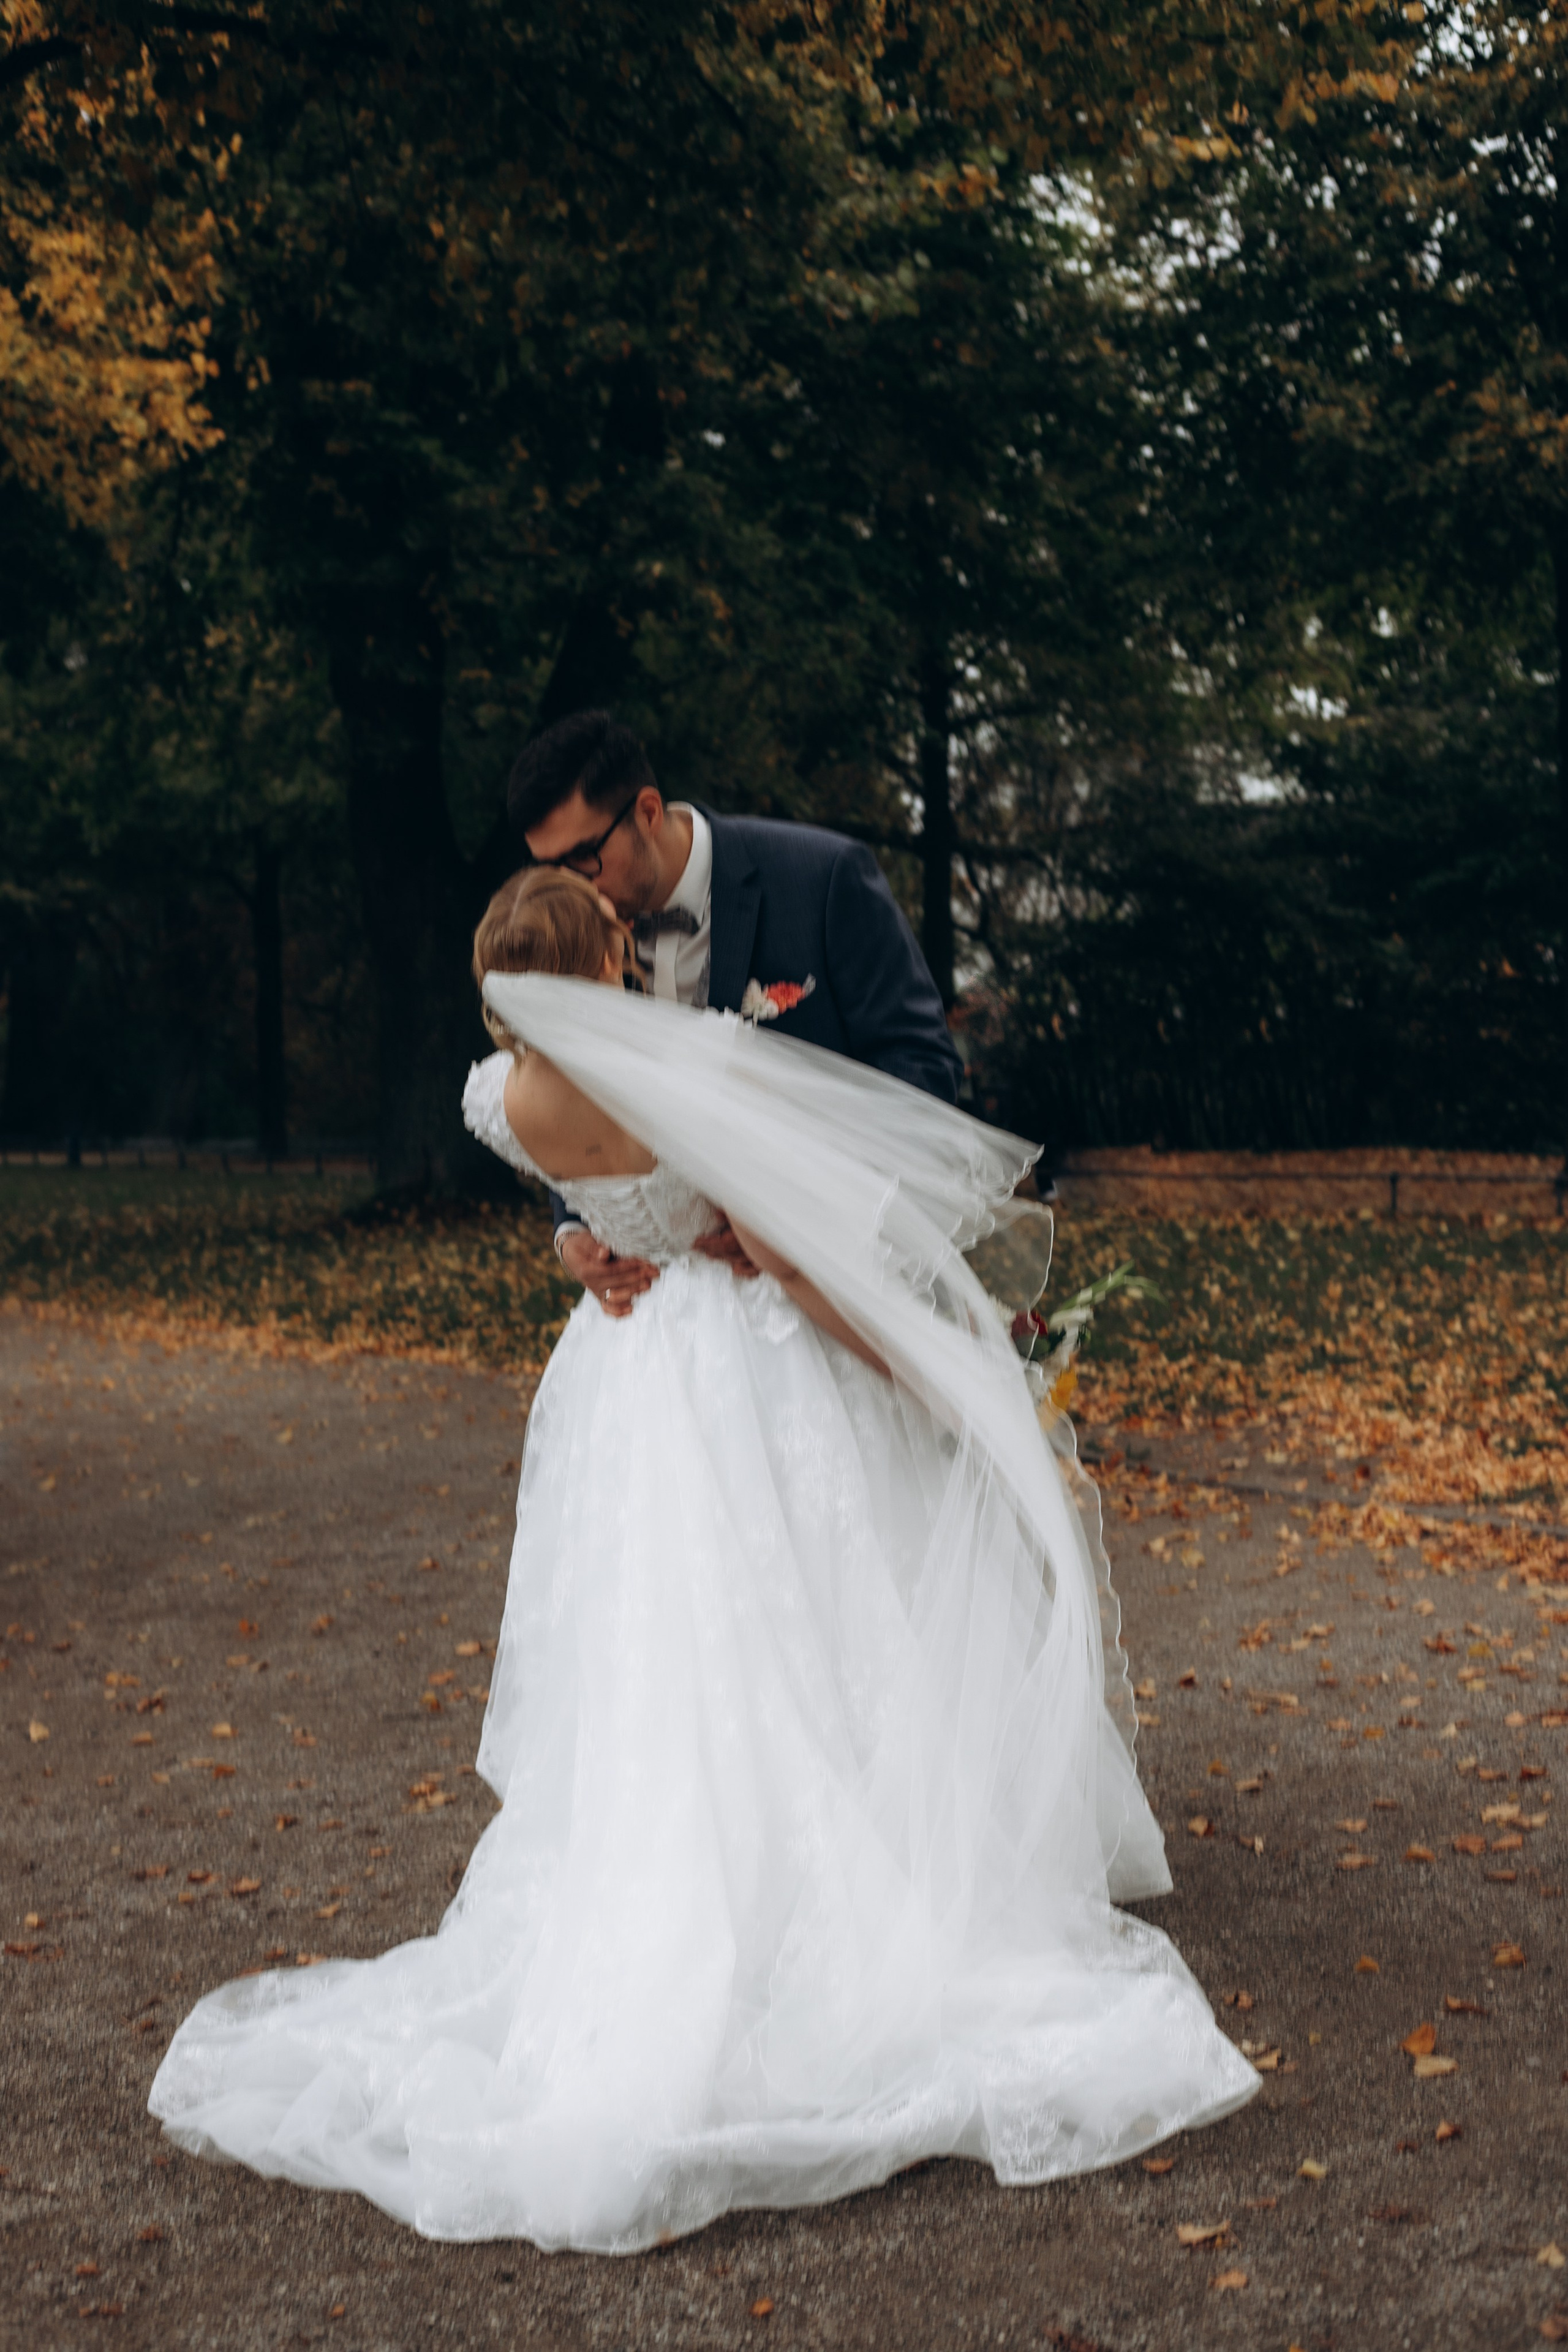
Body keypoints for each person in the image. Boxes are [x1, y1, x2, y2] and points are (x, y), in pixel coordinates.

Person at [148, 869, 1256, 2252]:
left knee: (657, 1647)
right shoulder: (685, 1074)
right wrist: (936, 1369)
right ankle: (861, 1882)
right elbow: (790, 1263)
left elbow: (582, 1211)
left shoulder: (496, 1094)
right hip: (746, 1370)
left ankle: (665, 1876)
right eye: (618, 942)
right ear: (604, 957)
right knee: (816, 1615)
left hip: (624, 1381)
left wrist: (583, 1246)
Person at [507, 709, 962, 1319]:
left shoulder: (822, 879)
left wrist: (798, 1217)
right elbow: (564, 1086)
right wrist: (572, 1233)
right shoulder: (576, 936)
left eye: (584, 858)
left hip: (831, 1298)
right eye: (550, 868)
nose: (575, 889)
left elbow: (922, 1068)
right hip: (665, 1323)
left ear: (646, 811)